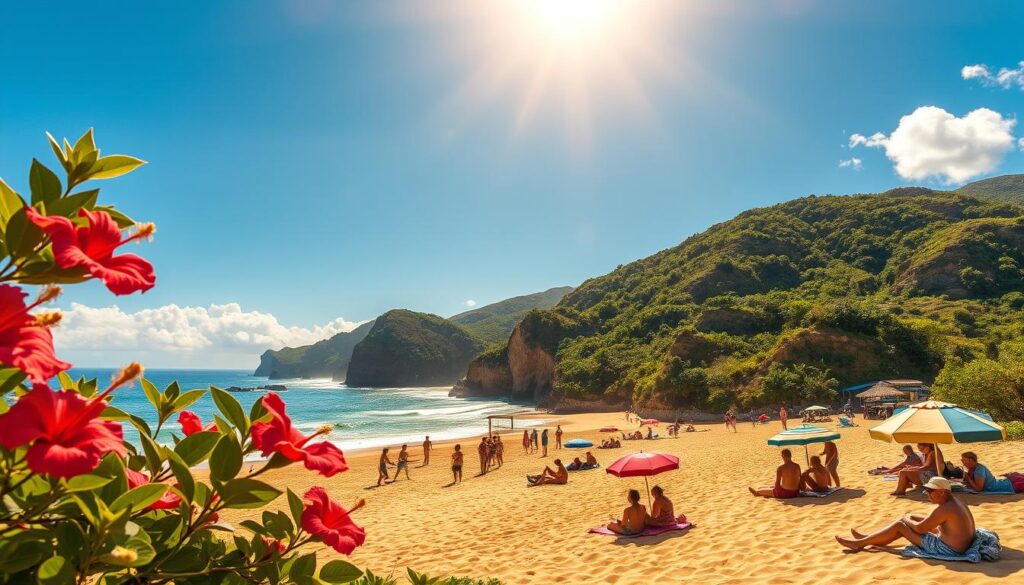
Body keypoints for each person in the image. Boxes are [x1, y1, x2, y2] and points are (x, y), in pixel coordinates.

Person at [837, 477, 977, 554]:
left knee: (900, 525)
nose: (927, 494)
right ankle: (869, 538)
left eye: (929, 490)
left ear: (941, 492)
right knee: (912, 516)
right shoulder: (956, 501)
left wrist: (905, 519)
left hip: (948, 548)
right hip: (957, 542)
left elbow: (920, 529)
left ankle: (859, 543)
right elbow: (932, 523)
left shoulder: (944, 508)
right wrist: (909, 517)